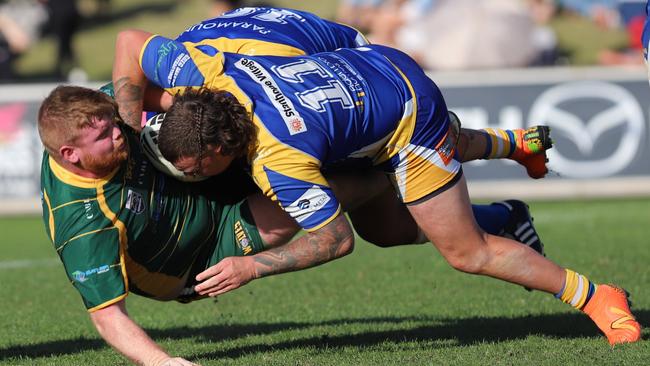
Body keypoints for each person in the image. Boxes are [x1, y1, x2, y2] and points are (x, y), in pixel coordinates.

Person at [148, 43, 640, 346]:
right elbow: (135, 44)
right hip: (373, 63)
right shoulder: (210, 75)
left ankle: (596, 296)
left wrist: (251, 267)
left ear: (218, 147)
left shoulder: (279, 162)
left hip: (410, 120)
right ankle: (515, 142)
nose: (186, 175)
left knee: (467, 252)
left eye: (193, 168)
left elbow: (334, 240)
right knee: (383, 228)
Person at [38, 85, 547, 365]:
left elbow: (170, 95)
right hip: (202, 258)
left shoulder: (109, 112)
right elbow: (107, 317)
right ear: (70, 155)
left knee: (365, 153)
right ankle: (489, 216)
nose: (118, 134)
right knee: (361, 178)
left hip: (214, 187)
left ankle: (490, 165)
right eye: (105, 137)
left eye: (113, 123)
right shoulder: (82, 221)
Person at [112, 6, 552, 180]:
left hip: (350, 58)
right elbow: (132, 51)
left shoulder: (240, 75)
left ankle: (502, 153)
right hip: (287, 47)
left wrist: (131, 135)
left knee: (387, 207)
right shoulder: (191, 70)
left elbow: (129, 44)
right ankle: (511, 145)